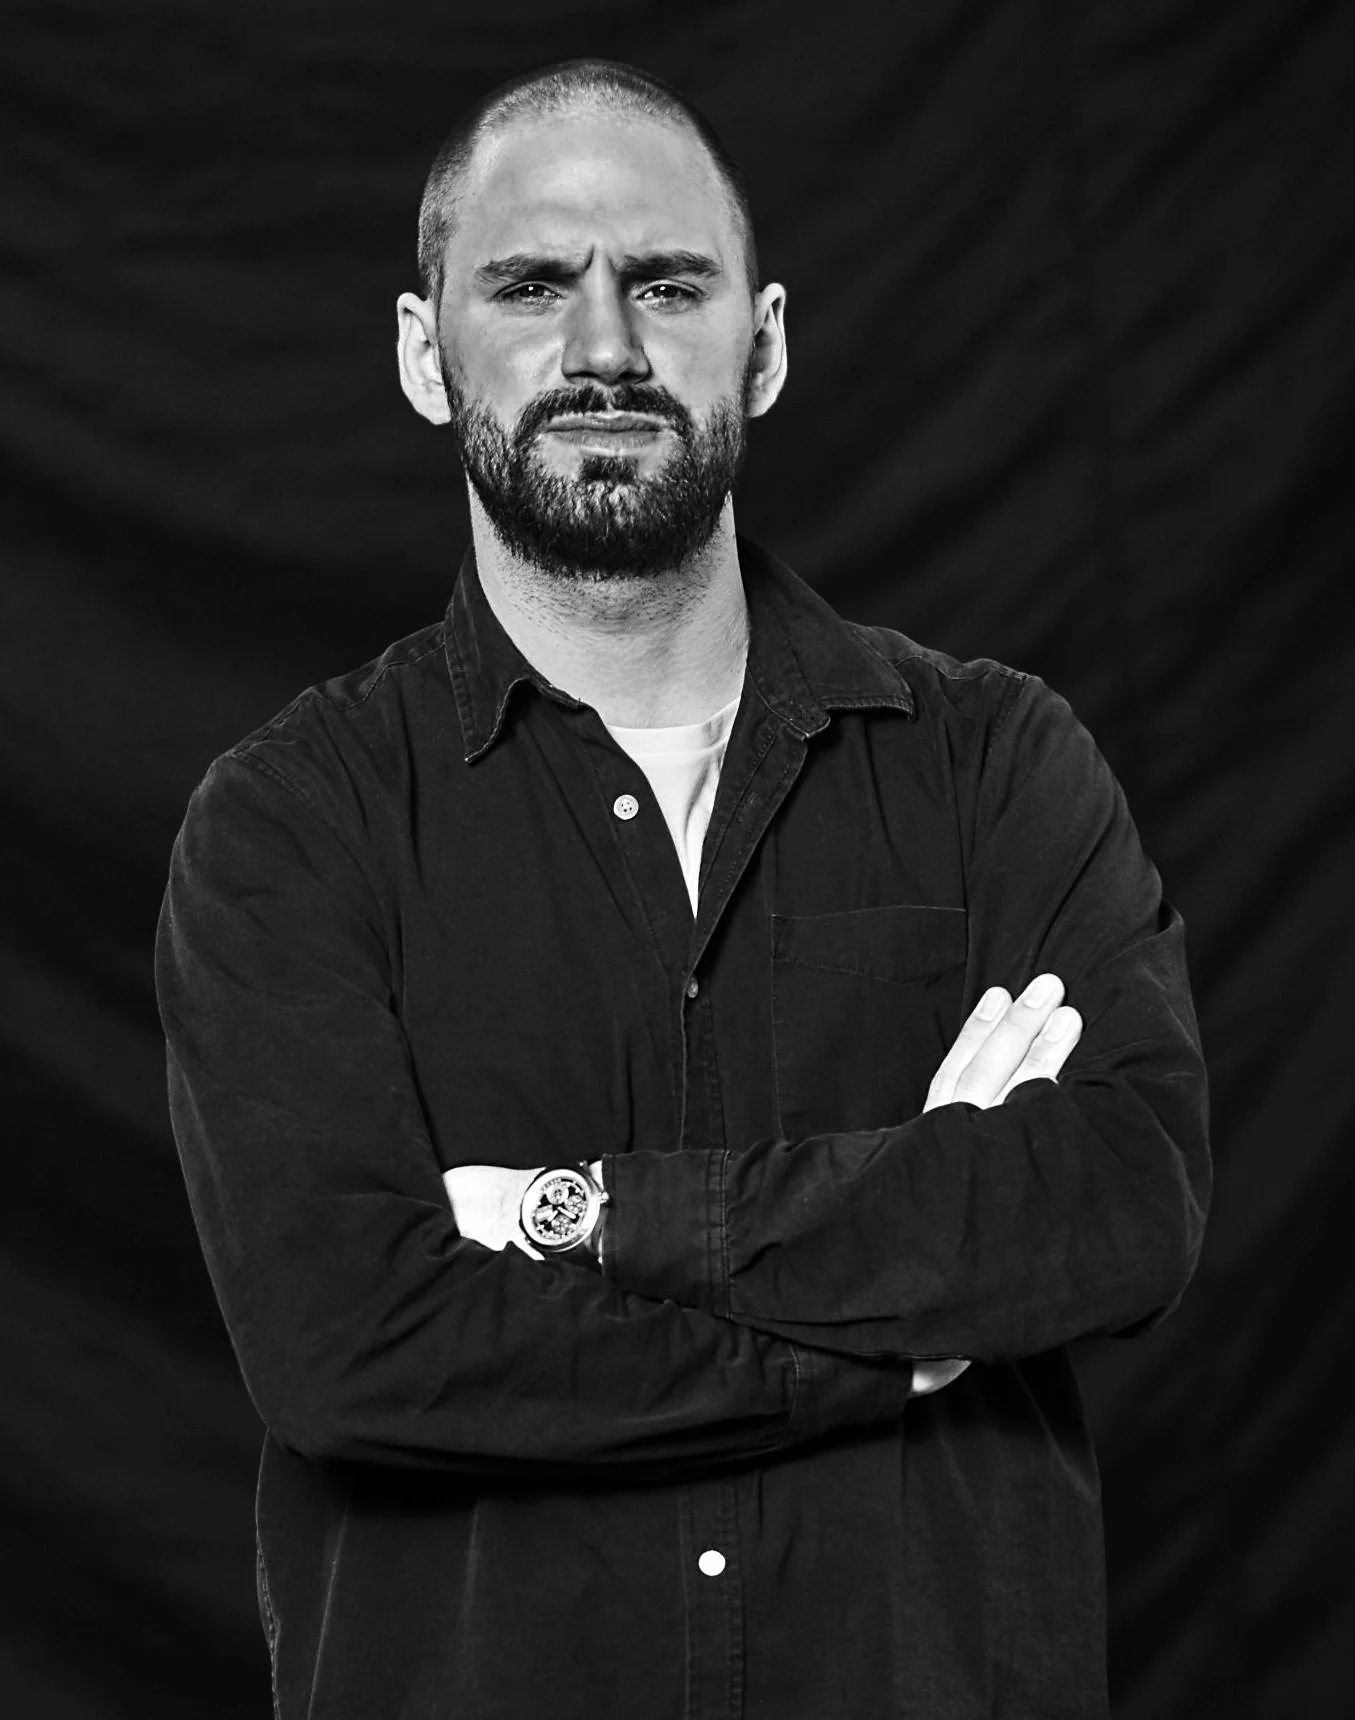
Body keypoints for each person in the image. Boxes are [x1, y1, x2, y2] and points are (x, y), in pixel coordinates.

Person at [155, 56, 1210, 1720]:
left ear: (763, 344)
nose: (603, 347)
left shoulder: (993, 767)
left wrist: (585, 1217)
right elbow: (351, 1347)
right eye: (530, 287)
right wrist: (893, 1328)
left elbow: (1119, 1200)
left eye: (663, 284)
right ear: (427, 357)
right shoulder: (290, 826)